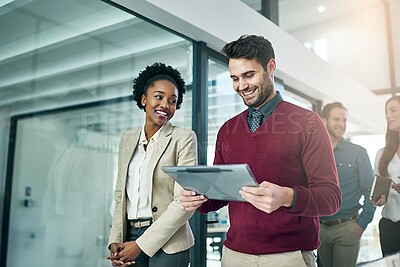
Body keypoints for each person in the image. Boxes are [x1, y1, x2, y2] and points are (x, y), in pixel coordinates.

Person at [179, 35, 342, 267]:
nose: (241, 86)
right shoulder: (228, 129)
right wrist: (199, 197)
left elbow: (331, 198)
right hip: (235, 255)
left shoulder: (308, 122)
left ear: (271, 67)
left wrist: (287, 197)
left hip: (288, 256)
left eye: (249, 75)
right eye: (234, 78)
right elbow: (220, 195)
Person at [107, 62, 197, 267]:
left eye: (172, 101)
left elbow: (185, 203)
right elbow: (121, 194)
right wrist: (115, 239)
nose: (165, 105)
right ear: (143, 99)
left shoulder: (183, 138)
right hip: (128, 235)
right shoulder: (127, 139)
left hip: (170, 240)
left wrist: (141, 244)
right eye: (159, 96)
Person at [318, 102, 375, 267]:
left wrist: (361, 225)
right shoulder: (314, 151)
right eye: (337, 119)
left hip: (347, 228)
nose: (342, 125)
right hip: (320, 229)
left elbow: (370, 192)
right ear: (324, 121)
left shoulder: (358, 153)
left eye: (344, 120)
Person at [373, 95, 400, 257]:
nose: (387, 116)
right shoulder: (382, 155)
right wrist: (379, 199)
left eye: (393, 110)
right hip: (389, 227)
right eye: (386, 112)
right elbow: (378, 189)